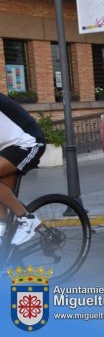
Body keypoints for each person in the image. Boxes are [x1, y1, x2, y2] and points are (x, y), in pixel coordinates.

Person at [0, 93, 46, 246]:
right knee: (3, 197)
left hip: (28, 143)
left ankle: (27, 219)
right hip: (6, 149)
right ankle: (4, 243)